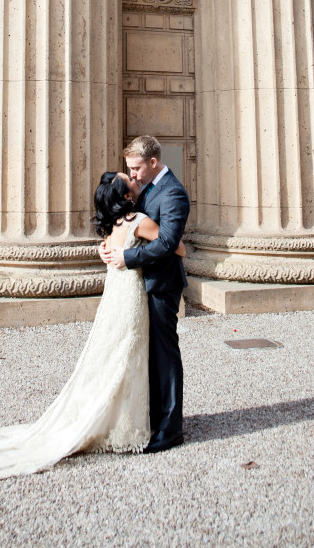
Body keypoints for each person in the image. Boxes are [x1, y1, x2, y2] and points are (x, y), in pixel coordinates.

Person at [0, 171, 186, 480]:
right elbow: (178, 248)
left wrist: (119, 252)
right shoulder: (138, 220)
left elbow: (117, 249)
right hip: (131, 297)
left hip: (115, 299)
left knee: (111, 356)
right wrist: (133, 253)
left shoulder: (110, 226)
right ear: (127, 196)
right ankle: (126, 421)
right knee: (128, 357)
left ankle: (123, 417)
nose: (133, 178)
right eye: (128, 178)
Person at [101, 135, 190, 453]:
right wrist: (112, 246)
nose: (133, 174)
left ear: (153, 163)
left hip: (163, 284)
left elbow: (168, 243)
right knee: (149, 354)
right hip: (142, 284)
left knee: (165, 356)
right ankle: (154, 420)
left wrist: (127, 258)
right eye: (130, 169)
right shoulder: (148, 189)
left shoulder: (174, 193)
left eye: (136, 168)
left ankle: (171, 429)